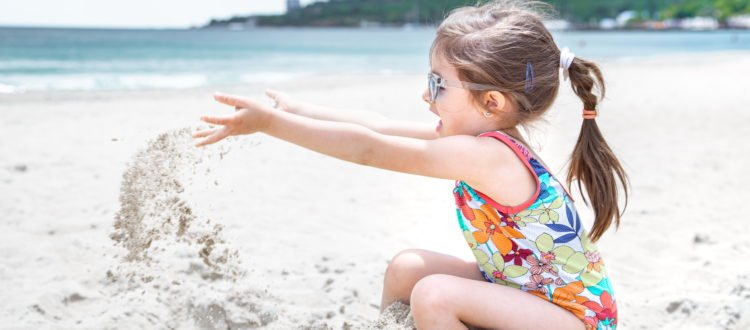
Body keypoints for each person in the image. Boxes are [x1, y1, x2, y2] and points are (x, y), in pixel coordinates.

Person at [192, 1, 628, 329]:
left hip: (574, 320)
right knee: (408, 269)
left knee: (435, 294)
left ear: (491, 102)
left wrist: (271, 124)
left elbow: (371, 149)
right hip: (523, 293)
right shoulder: (475, 140)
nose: (426, 96)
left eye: (437, 84)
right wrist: (297, 110)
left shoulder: (487, 155)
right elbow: (378, 127)